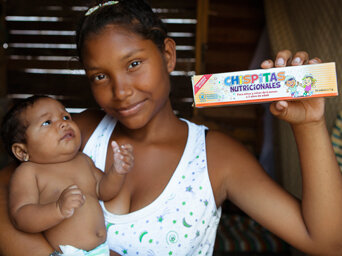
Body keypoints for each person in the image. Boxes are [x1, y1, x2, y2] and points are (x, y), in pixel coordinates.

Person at [1, 0, 342, 255]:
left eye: (134, 64)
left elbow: (325, 241)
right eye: (100, 76)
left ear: (167, 55)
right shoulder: (80, 133)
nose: (121, 92)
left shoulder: (216, 158)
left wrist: (309, 123)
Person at [0, 95, 134, 255]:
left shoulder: (82, 160)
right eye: (47, 122)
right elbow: (21, 217)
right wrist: (57, 209)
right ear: (22, 151)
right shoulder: (29, 172)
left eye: (66, 116)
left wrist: (117, 172)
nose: (63, 123)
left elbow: (103, 191)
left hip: (102, 249)